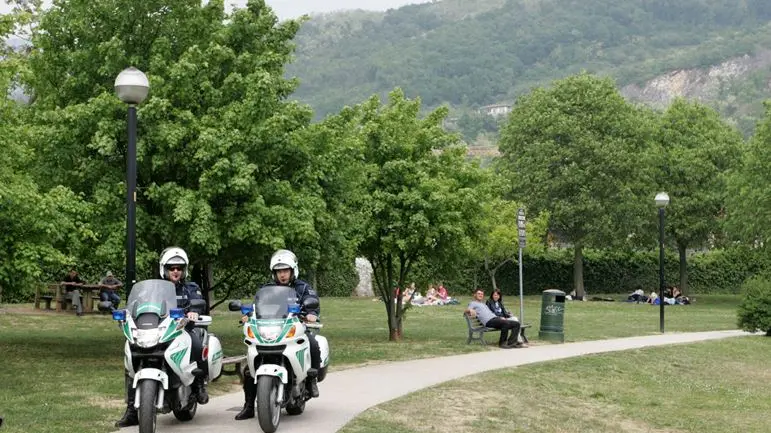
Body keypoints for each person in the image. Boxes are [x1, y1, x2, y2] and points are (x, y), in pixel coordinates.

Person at [115, 247, 209, 428]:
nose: (175, 271)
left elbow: (198, 305)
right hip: (158, 330)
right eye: (171, 268)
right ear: (164, 269)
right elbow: (138, 305)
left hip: (183, 329)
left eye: (179, 268)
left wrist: (193, 313)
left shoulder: (191, 288)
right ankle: (132, 411)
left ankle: (198, 386)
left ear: (184, 270)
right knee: (132, 364)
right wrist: (128, 315)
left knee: (197, 344)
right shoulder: (154, 289)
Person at [235, 249, 322, 420]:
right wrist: (249, 314)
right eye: (279, 271)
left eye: (285, 270)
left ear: (292, 270)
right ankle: (248, 407)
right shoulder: (267, 289)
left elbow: (314, 306)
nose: (282, 275)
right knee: (248, 369)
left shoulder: (303, 288)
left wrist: (312, 315)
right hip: (271, 329)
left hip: (296, 328)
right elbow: (257, 307)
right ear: (274, 273)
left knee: (312, 343)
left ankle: (311, 380)